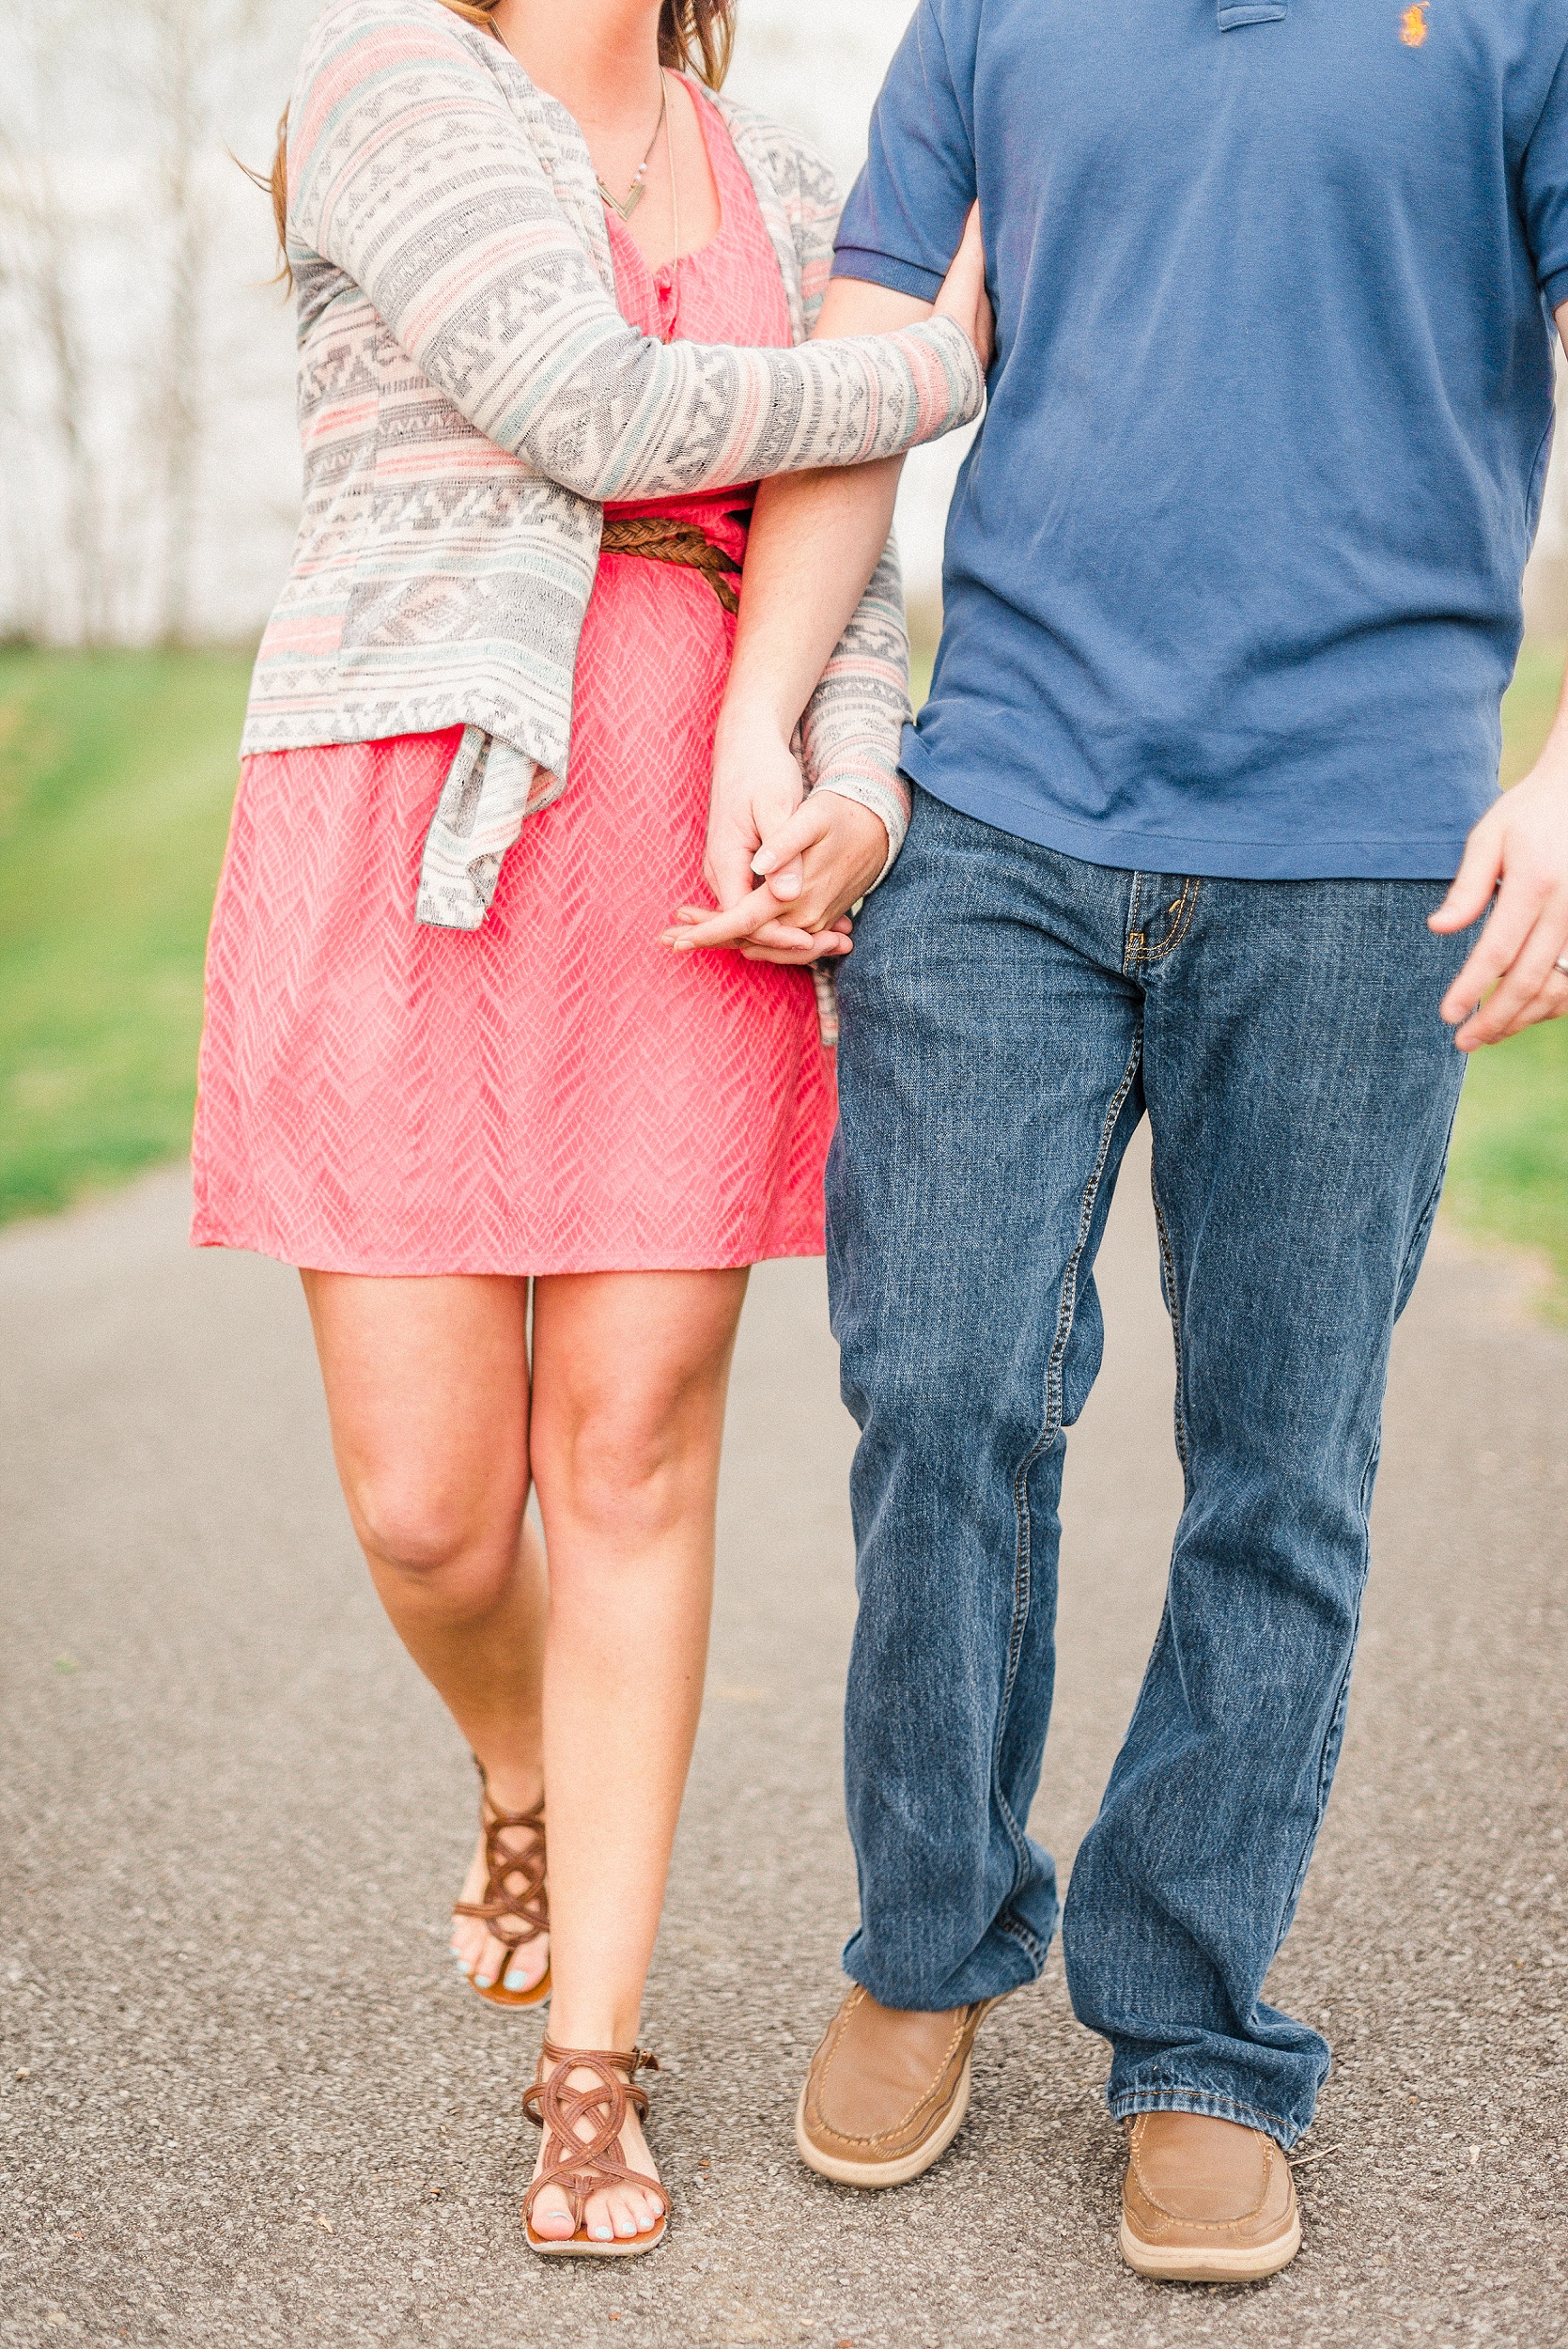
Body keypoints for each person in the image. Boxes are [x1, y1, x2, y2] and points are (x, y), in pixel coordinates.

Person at [677, 0, 1568, 2283]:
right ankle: (931, 1929)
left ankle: (1189, 2026)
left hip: (1365, 850)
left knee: (1285, 1455)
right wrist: (766, 723)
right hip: (999, 819)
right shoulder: (983, 15)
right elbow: (872, 376)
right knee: (944, 1392)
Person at [191, 0, 987, 2260]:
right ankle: (518, 1764)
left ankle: (592, 2062)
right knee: (436, 1508)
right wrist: (947, 358)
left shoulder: (798, 173)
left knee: (626, 1449)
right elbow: (597, 406)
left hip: (678, 829)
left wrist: (854, 777)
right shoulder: (383, 86)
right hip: (416, 806)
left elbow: (827, 545)